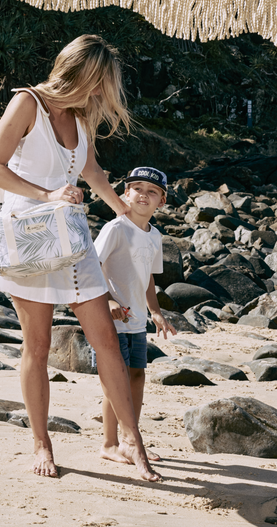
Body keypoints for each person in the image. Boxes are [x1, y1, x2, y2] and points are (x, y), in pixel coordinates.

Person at [0, 35, 161, 482]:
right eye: (100, 84)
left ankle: (133, 443)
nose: (102, 94)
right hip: (29, 238)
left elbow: (93, 172)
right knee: (37, 346)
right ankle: (41, 442)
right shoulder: (27, 103)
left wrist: (126, 213)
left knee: (107, 341)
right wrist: (47, 194)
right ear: (82, 74)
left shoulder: (81, 120)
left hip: (73, 239)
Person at [94, 166, 177, 465]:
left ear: (162, 201)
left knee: (137, 376)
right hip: (113, 320)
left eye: (152, 191)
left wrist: (156, 312)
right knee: (114, 383)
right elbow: (92, 265)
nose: (144, 194)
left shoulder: (154, 236)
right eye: (137, 188)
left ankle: (131, 439)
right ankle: (110, 443)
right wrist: (106, 301)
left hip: (138, 319)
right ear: (125, 194)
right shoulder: (116, 228)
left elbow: (149, 279)